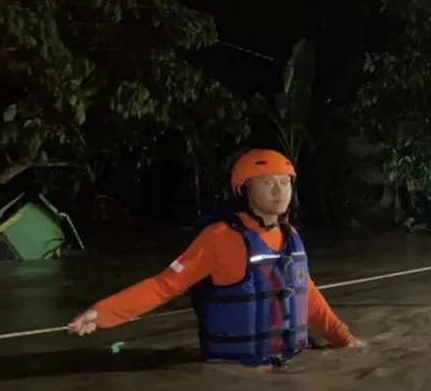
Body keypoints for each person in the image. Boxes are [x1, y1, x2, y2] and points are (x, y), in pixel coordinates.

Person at [67, 150, 363, 367]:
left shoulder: (292, 236)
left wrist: (345, 340)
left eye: (285, 182)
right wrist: (102, 312)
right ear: (245, 188)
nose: (279, 191)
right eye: (267, 182)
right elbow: (164, 285)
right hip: (237, 375)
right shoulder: (220, 237)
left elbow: (307, 295)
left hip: (292, 365)